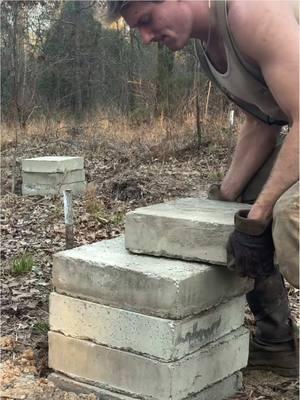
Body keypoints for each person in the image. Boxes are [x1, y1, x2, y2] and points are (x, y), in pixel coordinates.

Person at [106, 0, 299, 377]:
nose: (145, 38)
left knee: (290, 216)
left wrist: (259, 216)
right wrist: (225, 200)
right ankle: (277, 343)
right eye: (137, 30)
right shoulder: (208, 48)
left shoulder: (251, 13)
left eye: (146, 20)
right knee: (239, 209)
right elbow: (261, 123)